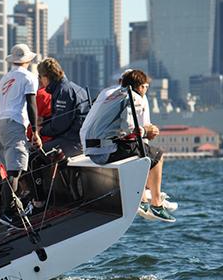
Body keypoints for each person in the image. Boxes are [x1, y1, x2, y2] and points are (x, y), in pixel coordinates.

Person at [80, 69, 175, 222]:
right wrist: (146, 132)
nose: (146, 90)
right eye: (146, 87)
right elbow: (128, 128)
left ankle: (143, 199)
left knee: (140, 152)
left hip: (93, 150)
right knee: (157, 155)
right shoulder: (134, 97)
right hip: (106, 151)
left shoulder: (113, 94)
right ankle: (157, 204)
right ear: (140, 86)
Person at [29, 58, 90, 209]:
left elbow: (59, 126)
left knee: (33, 158)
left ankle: (39, 203)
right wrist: (46, 121)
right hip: (76, 138)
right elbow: (63, 119)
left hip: (73, 142)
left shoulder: (63, 91)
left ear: (46, 77)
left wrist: (40, 130)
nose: (39, 80)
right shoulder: (69, 88)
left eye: (40, 77)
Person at [0, 44, 42, 226]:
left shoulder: (4, 79)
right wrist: (36, 132)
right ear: (28, 60)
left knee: (8, 172)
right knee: (14, 171)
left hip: (0, 124)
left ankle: (6, 210)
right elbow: (31, 105)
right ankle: (7, 213)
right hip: (14, 124)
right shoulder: (29, 78)